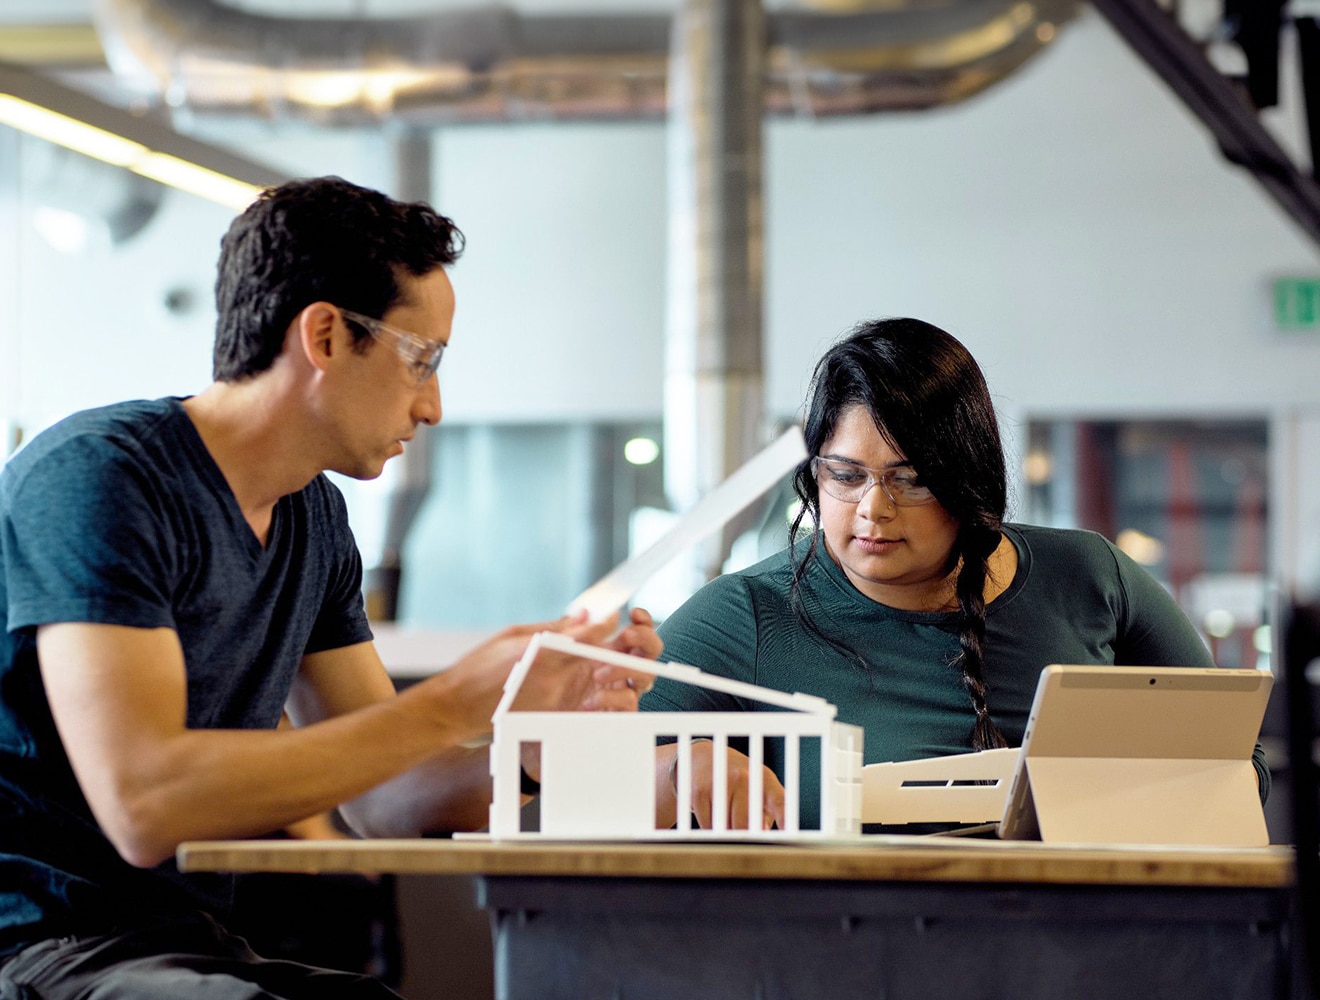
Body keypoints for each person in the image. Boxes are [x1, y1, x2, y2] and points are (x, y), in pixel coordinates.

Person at [0, 175, 661, 999]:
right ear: (323, 336)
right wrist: (453, 701)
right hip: (39, 946)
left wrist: (548, 744)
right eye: (421, 360)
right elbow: (146, 804)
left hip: (180, 944)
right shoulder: (100, 479)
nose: (434, 406)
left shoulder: (313, 515)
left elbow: (386, 799)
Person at [643, 317, 1268, 832]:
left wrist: (1120, 796)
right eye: (845, 474)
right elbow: (577, 777)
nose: (873, 509)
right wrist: (681, 767)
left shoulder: (1088, 577)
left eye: (909, 480)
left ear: (964, 479)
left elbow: (1239, 766)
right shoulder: (749, 614)